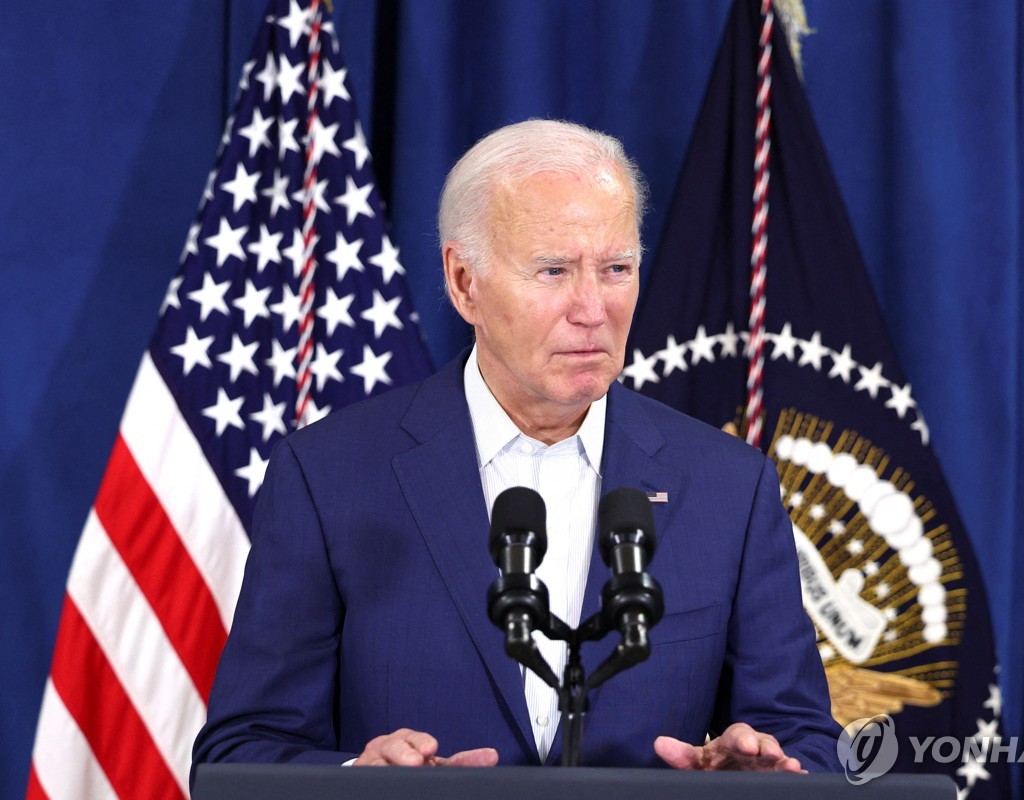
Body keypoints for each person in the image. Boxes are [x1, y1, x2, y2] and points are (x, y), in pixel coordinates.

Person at [192, 120, 841, 780]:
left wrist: (762, 774)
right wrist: (358, 778)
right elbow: (241, 755)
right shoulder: (329, 476)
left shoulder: (730, 486)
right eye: (554, 270)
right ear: (464, 281)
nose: (592, 308)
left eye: (616, 269)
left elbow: (805, 739)